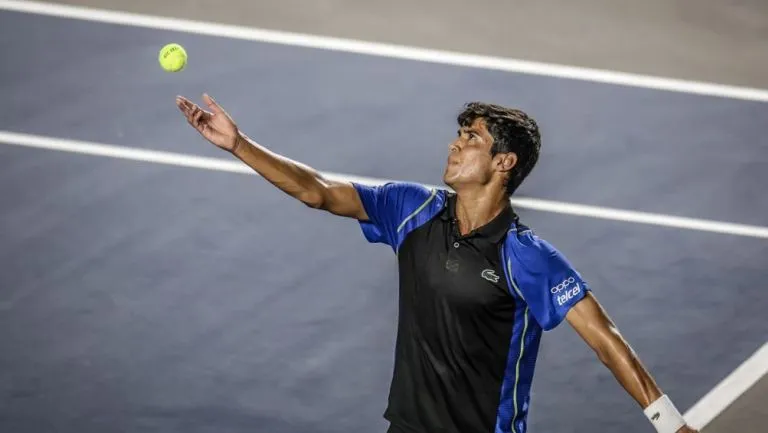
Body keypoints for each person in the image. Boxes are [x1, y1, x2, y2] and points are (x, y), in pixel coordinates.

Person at [175, 93, 698, 433]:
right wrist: (239, 144)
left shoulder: (526, 256)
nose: (455, 143)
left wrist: (670, 423)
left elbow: (605, 340)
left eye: (472, 139)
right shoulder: (411, 209)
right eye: (460, 134)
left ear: (503, 162)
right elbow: (319, 191)